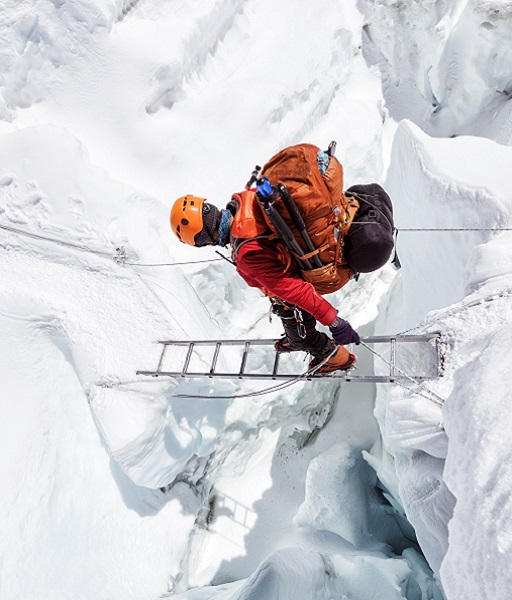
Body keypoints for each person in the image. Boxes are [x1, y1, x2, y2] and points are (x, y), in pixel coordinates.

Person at [170, 193, 361, 375]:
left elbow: (296, 290)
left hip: (298, 280)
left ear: (203, 237)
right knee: (287, 314)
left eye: (201, 241)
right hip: (297, 267)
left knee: (304, 337)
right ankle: (296, 337)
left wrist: (334, 322)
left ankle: (337, 359)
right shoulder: (244, 202)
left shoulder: (246, 252)